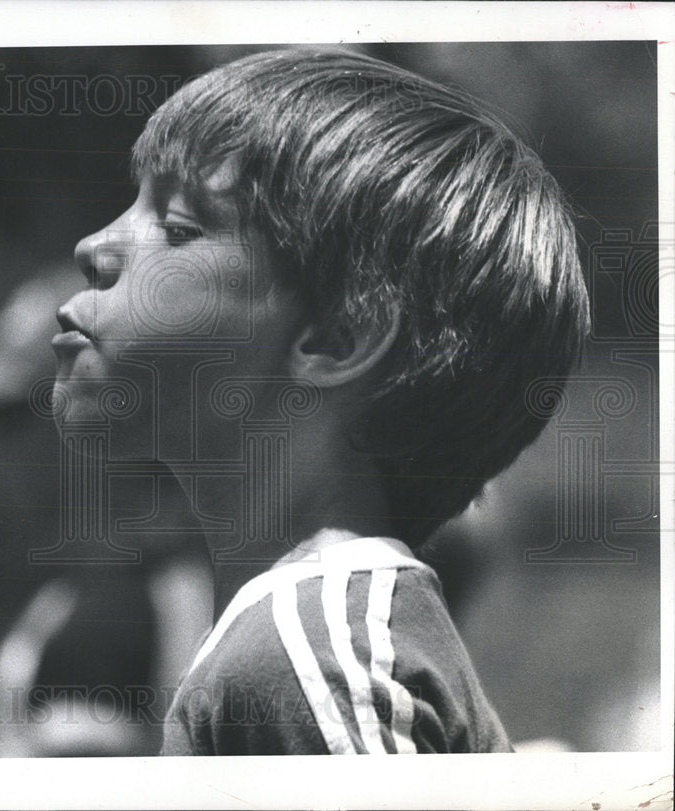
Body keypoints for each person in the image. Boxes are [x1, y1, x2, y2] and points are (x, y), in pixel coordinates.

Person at [50, 47, 590, 755]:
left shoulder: (315, 657)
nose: (96, 245)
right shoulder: (305, 640)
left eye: (179, 228)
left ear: (335, 339)